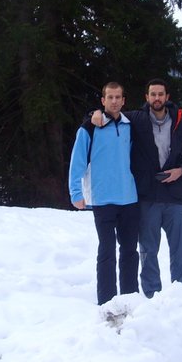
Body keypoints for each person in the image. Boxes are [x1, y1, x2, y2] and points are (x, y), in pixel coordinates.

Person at [92, 78, 182, 298]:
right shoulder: (136, 120)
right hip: (148, 196)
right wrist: (94, 114)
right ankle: (152, 296)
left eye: (160, 94)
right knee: (148, 251)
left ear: (167, 97)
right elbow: (112, 113)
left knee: (180, 250)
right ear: (147, 97)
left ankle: (180, 296)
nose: (157, 98)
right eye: (153, 94)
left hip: (175, 196)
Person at [69, 82, 140, 305]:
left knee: (130, 251)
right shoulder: (89, 128)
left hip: (129, 198)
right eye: (110, 97)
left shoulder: (131, 126)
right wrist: (75, 193)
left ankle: (130, 300)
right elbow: (77, 162)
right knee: (107, 252)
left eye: (118, 97)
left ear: (124, 100)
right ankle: (107, 303)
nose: (114, 101)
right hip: (102, 199)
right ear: (103, 100)